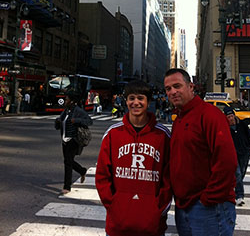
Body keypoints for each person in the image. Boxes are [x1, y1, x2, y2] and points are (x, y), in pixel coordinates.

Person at [164, 68, 237, 236]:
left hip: (209, 207)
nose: (173, 91)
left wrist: (208, 199)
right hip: (185, 206)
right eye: (168, 89)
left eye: (177, 86)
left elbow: (227, 161)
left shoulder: (210, 115)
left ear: (191, 87)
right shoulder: (179, 119)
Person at [95, 80, 172, 236]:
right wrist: (114, 206)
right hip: (118, 225)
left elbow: (169, 178)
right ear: (126, 101)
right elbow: (102, 175)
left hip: (152, 226)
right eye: (131, 98)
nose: (135, 102)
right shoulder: (112, 133)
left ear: (148, 101)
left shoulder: (163, 135)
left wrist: (157, 210)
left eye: (140, 98)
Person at [55, 91, 93, 194]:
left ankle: (67, 187)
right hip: (64, 139)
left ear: (72, 101)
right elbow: (60, 123)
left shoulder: (78, 111)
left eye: (66, 99)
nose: (65, 101)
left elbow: (89, 121)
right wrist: (58, 121)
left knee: (68, 162)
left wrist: (76, 120)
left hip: (74, 139)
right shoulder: (66, 111)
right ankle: (82, 171)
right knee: (68, 161)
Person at [223, 106, 250, 207]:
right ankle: (239, 196)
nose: (230, 118)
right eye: (228, 117)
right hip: (232, 154)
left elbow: (249, 136)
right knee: (238, 174)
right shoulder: (225, 127)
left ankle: (234, 187)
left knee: (242, 172)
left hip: (244, 152)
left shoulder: (242, 124)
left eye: (231, 116)